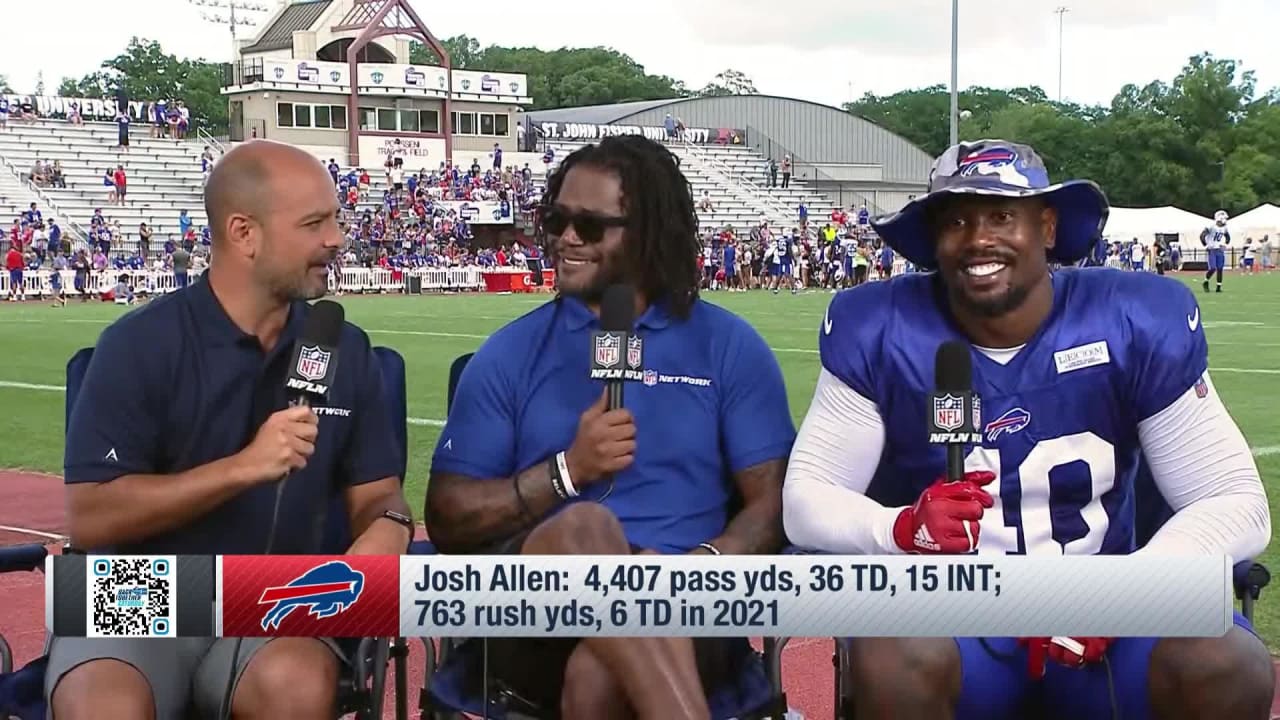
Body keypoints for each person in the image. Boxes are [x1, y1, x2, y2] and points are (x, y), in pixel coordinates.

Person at [782, 140, 1274, 720]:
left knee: (1224, 660)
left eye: (1001, 216)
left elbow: (1237, 502)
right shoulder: (880, 328)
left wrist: (1128, 593)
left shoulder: (1132, 318)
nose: (978, 238)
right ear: (934, 240)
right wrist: (900, 528)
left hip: (1103, 614)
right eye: (956, 220)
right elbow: (806, 499)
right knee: (895, 653)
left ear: (1046, 226)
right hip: (956, 617)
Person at [425, 134, 796, 720]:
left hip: (688, 604)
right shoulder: (510, 353)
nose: (566, 238)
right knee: (586, 527)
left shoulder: (729, 348)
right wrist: (567, 472)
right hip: (533, 618)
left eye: (591, 226)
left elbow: (773, 503)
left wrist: (703, 563)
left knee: (602, 675)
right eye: (557, 219)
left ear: (648, 235)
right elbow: (447, 518)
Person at [48, 140, 415, 720]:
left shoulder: (344, 349)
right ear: (244, 233)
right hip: (139, 595)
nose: (336, 240)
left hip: (279, 597)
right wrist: (244, 467)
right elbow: (92, 517)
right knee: (101, 704)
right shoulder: (139, 343)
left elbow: (379, 495)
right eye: (315, 223)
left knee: (295, 685)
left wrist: (390, 527)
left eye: (335, 219)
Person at [1200, 210, 1230, 292]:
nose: (1225, 220)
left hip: (1219, 249)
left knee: (1220, 268)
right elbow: (1202, 235)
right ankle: (1206, 281)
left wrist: (1225, 244)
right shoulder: (1211, 226)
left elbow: (1228, 237)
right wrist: (1206, 245)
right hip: (1212, 249)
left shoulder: (1224, 228)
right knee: (1213, 268)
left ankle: (1218, 287)